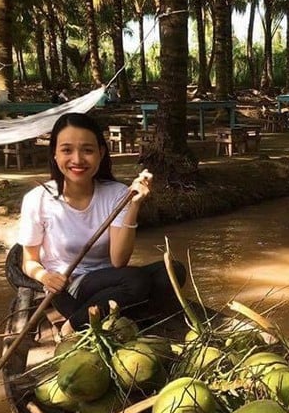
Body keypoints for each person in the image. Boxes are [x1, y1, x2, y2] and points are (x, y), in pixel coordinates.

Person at [17, 111, 186, 336]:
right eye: (67, 150)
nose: (77, 159)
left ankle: (88, 317)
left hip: (112, 281)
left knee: (173, 271)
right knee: (135, 281)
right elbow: (29, 261)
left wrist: (134, 206)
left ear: (100, 153)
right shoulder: (37, 199)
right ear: (55, 155)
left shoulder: (117, 194)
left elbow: (118, 261)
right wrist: (45, 276)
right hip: (68, 288)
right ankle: (76, 325)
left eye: (87, 150)